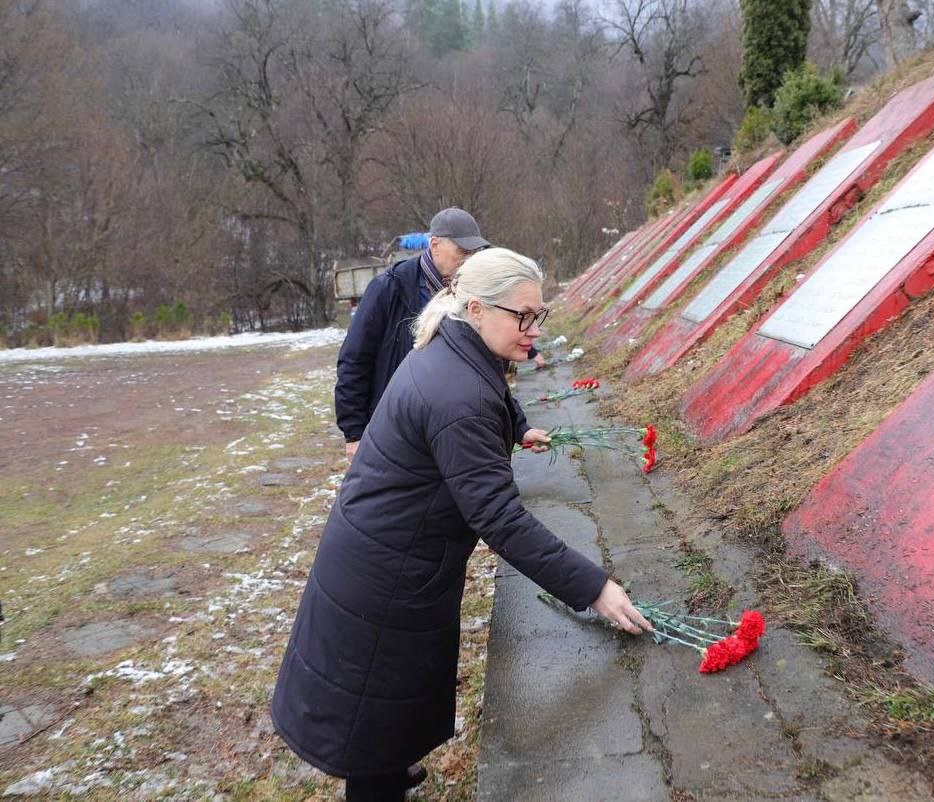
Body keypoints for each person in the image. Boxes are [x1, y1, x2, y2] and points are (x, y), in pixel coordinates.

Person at [272, 248, 651, 800]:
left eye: (538, 314)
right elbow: (499, 518)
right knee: (371, 716)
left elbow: (491, 407)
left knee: (384, 706)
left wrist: (516, 428)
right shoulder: (458, 392)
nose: (534, 329)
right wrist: (594, 588)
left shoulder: (453, 351)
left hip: (385, 554)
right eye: (522, 315)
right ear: (475, 308)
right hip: (387, 575)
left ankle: (390, 765)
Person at [335, 209, 542, 459]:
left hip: (447, 425)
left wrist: (519, 428)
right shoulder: (389, 288)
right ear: (435, 245)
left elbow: (487, 370)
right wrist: (354, 433)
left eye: (474, 254)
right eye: (463, 253)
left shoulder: (468, 293)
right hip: (394, 427)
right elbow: (354, 360)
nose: (470, 261)